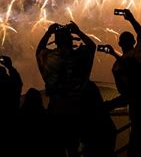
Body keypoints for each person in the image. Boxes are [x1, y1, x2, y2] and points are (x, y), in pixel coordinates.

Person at [37, 21, 114, 157]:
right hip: (79, 112)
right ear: (71, 39)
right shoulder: (80, 56)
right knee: (75, 150)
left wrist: (48, 32)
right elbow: (91, 46)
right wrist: (78, 31)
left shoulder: (49, 58)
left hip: (56, 111)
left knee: (57, 149)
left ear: (56, 42)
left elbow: (39, 51)